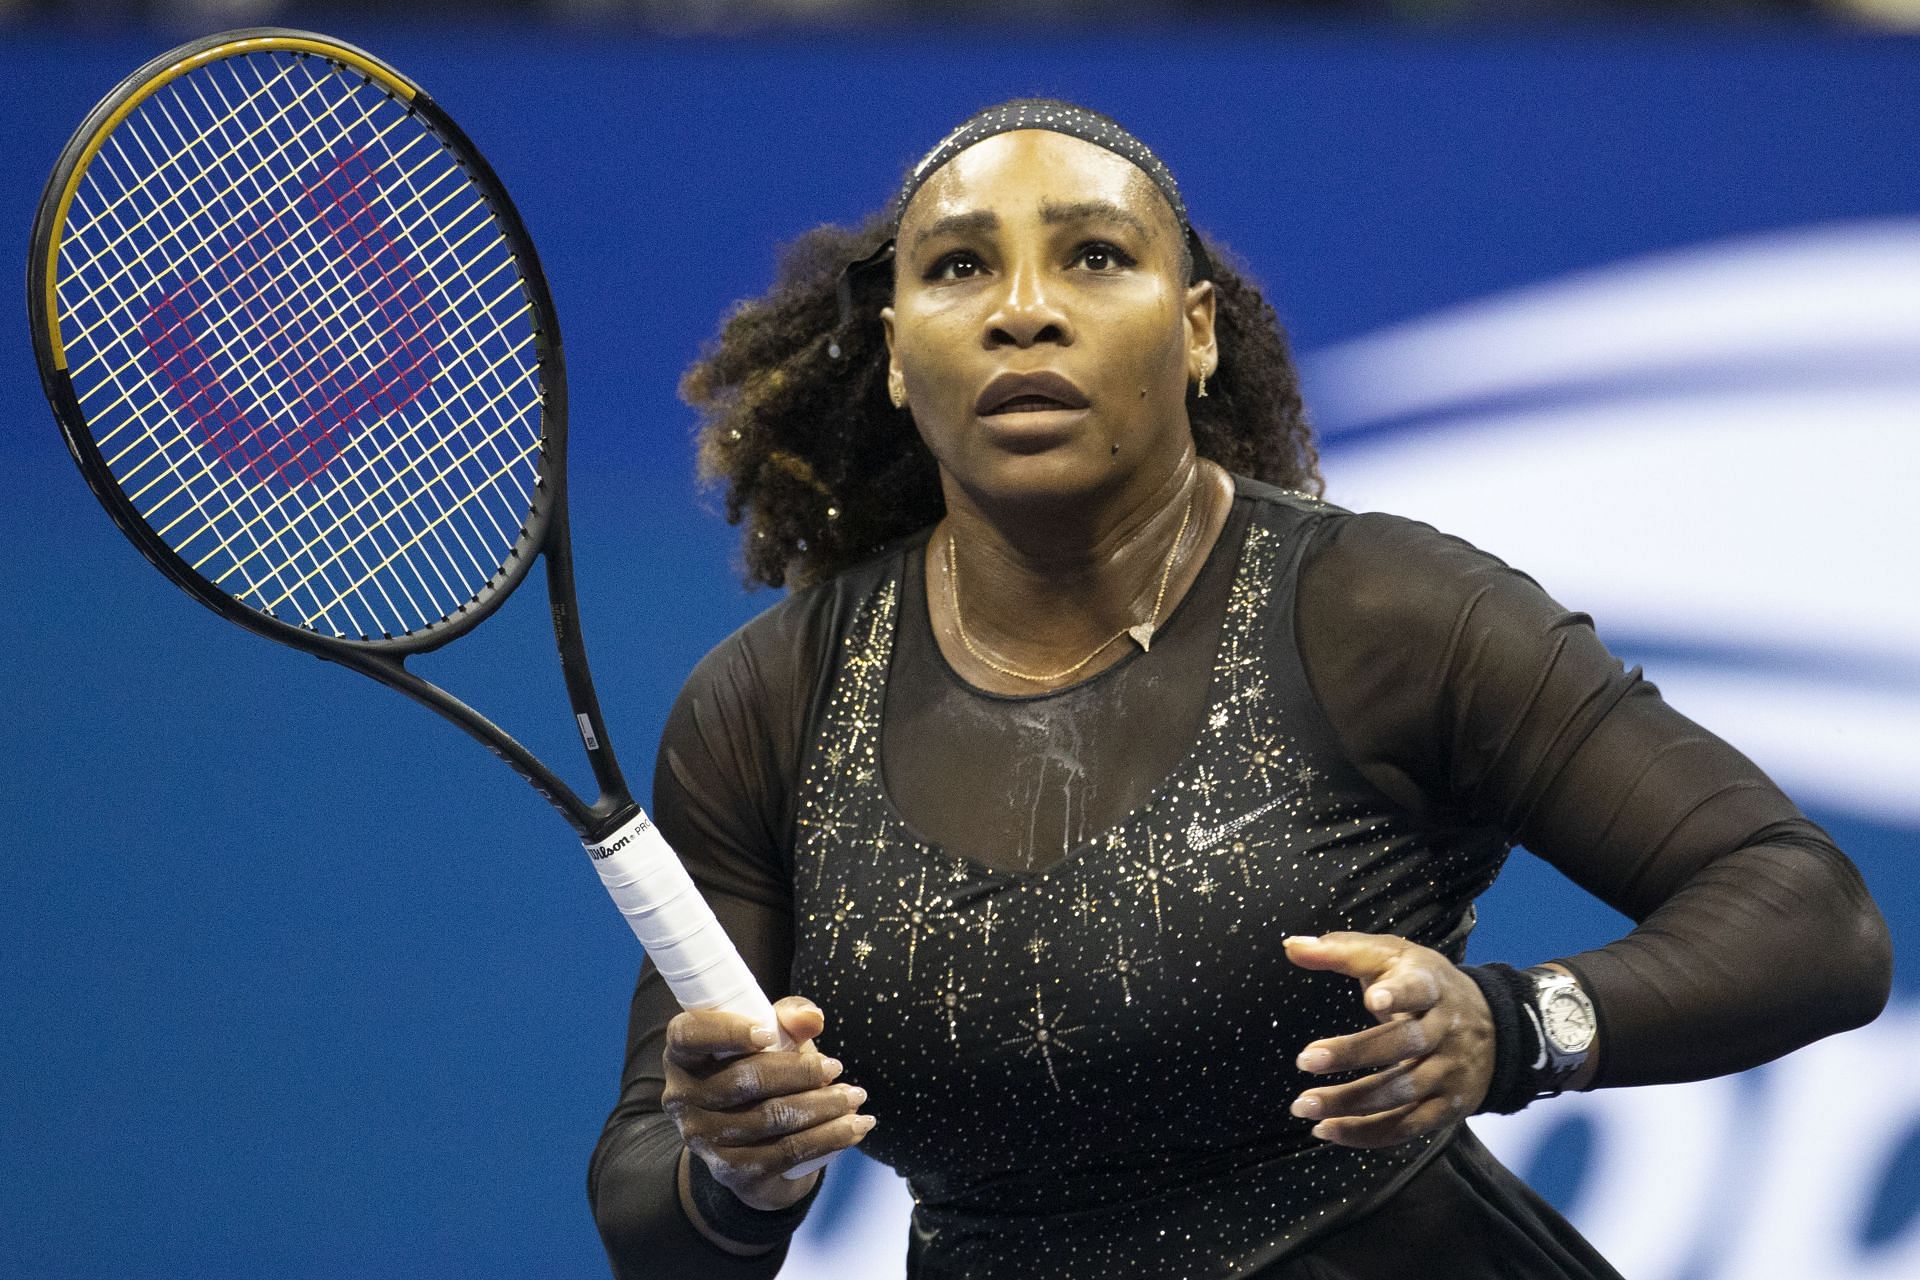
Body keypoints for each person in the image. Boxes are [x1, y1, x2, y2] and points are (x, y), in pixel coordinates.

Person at [588, 100, 1891, 1278]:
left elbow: (1810, 917)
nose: (1022, 308)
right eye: (960, 265)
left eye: (1095, 256)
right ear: (892, 351)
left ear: (1197, 329)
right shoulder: (765, 709)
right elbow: (658, 1211)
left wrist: (1509, 1027)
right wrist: (736, 1171)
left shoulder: (1386, 614)